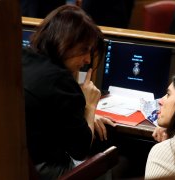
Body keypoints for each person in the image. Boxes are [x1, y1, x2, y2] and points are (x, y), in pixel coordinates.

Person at [22, 5, 115, 180]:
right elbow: (80, 149)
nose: (87, 60)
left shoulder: (22, 57)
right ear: (65, 41)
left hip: (11, 161)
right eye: (84, 50)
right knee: (103, 168)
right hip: (42, 170)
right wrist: (89, 106)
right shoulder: (60, 80)